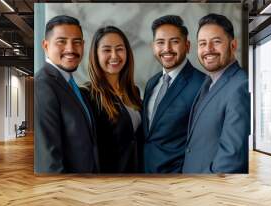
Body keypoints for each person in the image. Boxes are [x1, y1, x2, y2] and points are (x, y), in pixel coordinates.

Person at [182, 13, 250, 173]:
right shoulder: (209, 82)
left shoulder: (241, 86)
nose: (208, 49)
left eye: (216, 42)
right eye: (202, 43)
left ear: (233, 45)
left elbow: (231, 158)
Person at [34, 15, 99, 173]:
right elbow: (48, 157)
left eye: (77, 42)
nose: (70, 49)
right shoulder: (43, 85)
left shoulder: (71, 85)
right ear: (45, 45)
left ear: (83, 45)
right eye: (61, 41)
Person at [142, 15, 205, 173]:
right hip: (145, 174)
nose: (167, 49)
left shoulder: (202, 84)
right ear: (153, 47)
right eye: (160, 42)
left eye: (175, 41)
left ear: (187, 46)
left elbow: (204, 142)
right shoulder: (152, 83)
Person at [83, 26, 143, 173]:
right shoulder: (88, 95)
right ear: (95, 55)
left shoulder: (133, 91)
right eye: (107, 50)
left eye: (119, 49)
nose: (114, 56)